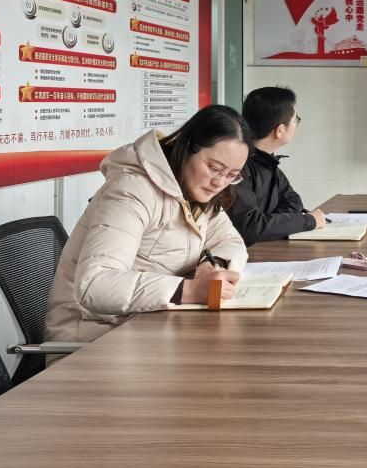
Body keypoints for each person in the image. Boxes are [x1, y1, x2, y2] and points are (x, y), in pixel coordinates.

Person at [44, 105, 252, 344]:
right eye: (214, 168)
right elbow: (95, 284)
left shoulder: (195, 189)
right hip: (95, 339)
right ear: (186, 148)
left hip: (149, 325)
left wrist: (211, 265)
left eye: (231, 175)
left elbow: (230, 240)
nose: (219, 182)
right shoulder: (132, 190)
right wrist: (190, 290)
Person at [227, 86, 325, 246]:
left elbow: (293, 202)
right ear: (279, 130)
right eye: (295, 120)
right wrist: (308, 221)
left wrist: (271, 223)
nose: (296, 125)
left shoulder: (267, 161)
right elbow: (251, 227)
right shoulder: (237, 166)